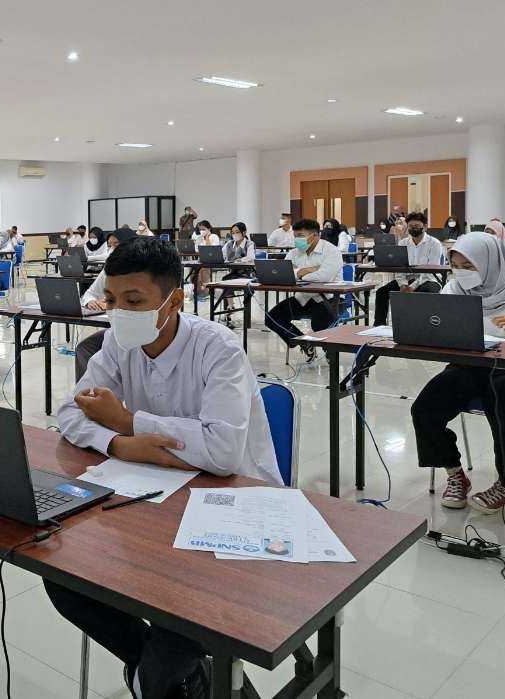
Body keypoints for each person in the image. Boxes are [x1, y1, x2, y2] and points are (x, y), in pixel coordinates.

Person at [53, 236, 279, 699]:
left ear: (175, 300)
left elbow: (222, 454)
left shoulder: (218, 348)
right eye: (113, 300)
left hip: (233, 509)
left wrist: (128, 419)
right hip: (150, 497)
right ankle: (174, 671)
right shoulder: (119, 343)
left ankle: (168, 673)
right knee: (63, 575)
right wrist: (123, 444)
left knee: (168, 652)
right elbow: (69, 413)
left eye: (134, 301)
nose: (119, 313)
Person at [412, 232, 505, 514]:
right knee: (425, 408)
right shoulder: (454, 289)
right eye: (457, 266)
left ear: (491, 262)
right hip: (469, 365)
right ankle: (455, 474)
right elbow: (438, 326)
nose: (462, 274)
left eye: (469, 267)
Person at [263, 219, 342, 362]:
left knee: (319, 324)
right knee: (272, 318)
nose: (297, 240)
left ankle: (330, 352)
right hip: (303, 297)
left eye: (300, 235)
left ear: (315, 235)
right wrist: (305, 271)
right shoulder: (294, 253)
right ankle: (304, 343)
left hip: (328, 298)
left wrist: (298, 273)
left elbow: (324, 276)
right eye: (295, 236)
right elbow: (286, 273)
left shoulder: (331, 251)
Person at [76, 228, 138, 378]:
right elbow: (90, 293)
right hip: (116, 329)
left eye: (116, 245)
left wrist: (114, 302)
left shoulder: (143, 269)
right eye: (110, 245)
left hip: (140, 329)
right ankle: (89, 396)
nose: (112, 249)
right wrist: (91, 301)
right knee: (85, 347)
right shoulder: (109, 269)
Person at [373, 212, 443, 325]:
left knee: (428, 291)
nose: (413, 229)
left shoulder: (434, 244)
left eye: (416, 227)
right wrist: (403, 285)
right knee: (382, 292)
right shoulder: (403, 243)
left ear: (425, 226)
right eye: (410, 227)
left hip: (428, 279)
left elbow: (431, 271)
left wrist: (412, 287)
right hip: (406, 279)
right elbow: (399, 268)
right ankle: (378, 326)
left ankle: (424, 326)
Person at [191, 220, 220, 300]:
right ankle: (198, 291)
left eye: (203, 229)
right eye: (200, 229)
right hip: (202, 260)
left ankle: (206, 292)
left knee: (204, 268)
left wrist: (207, 237)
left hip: (212, 260)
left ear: (209, 228)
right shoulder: (199, 238)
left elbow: (210, 250)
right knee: (194, 270)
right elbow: (196, 250)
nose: (201, 231)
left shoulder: (214, 237)